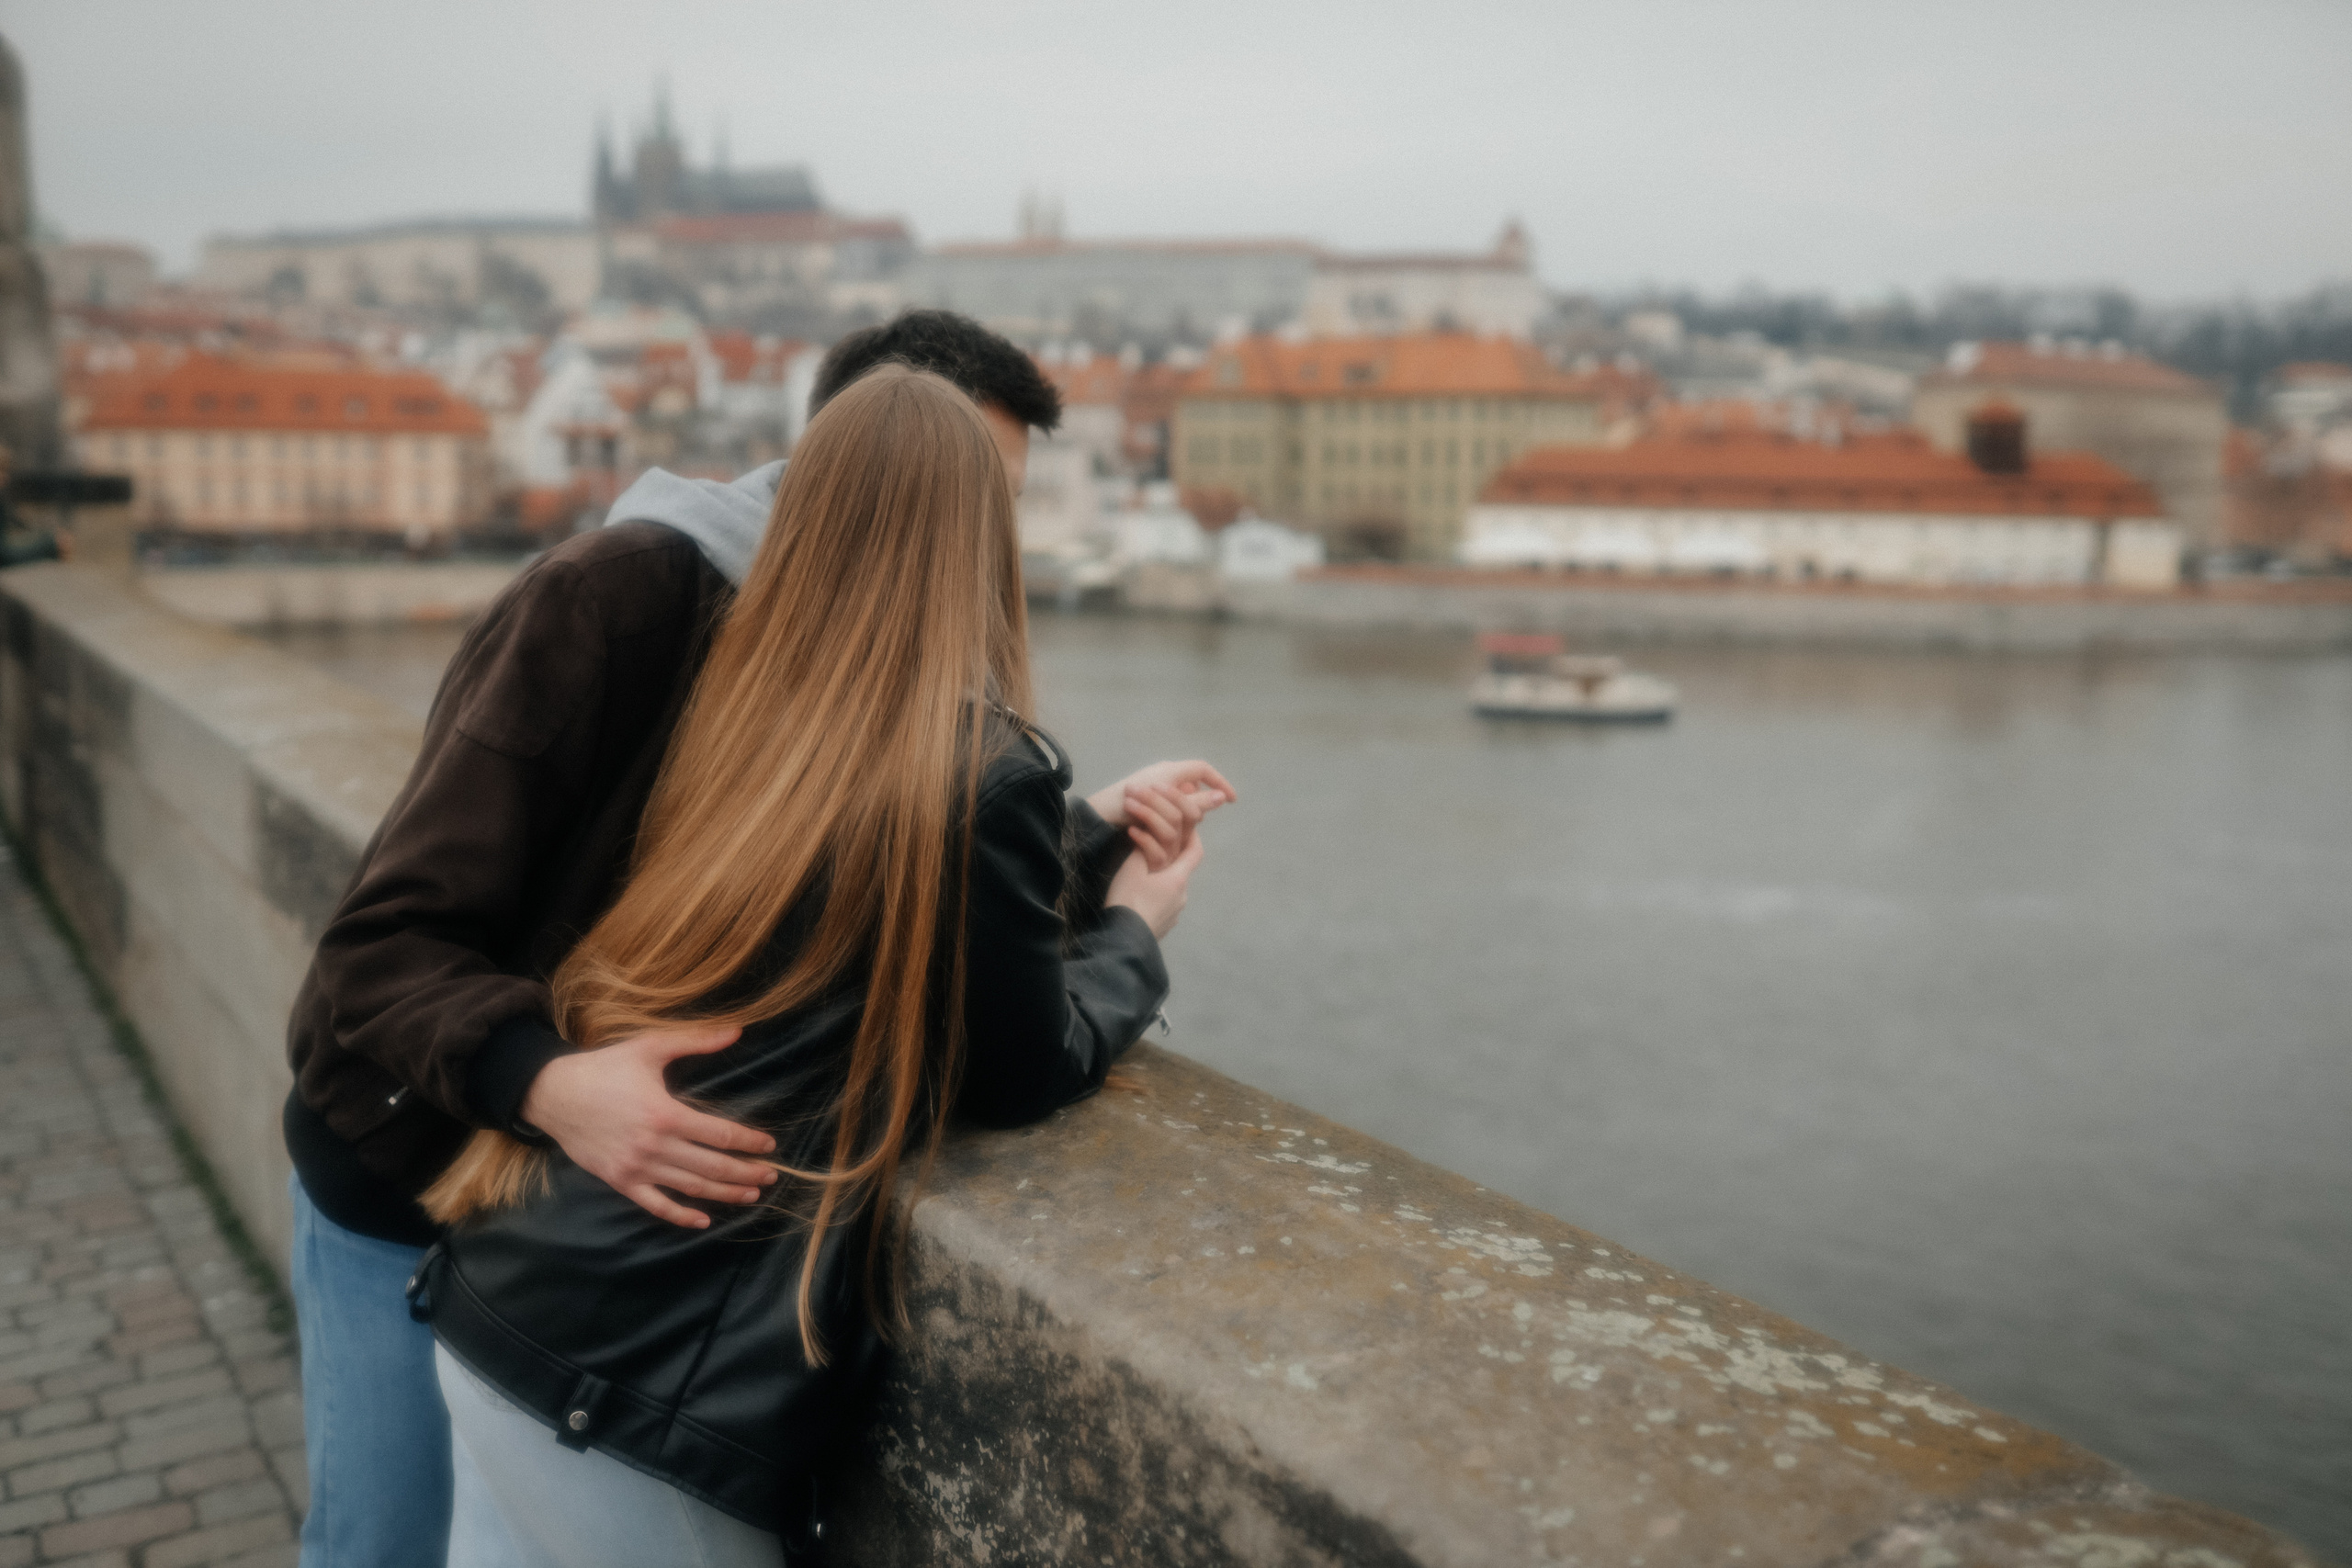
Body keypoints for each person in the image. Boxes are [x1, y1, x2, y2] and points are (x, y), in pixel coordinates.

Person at [282, 310, 1232, 1567]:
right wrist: (552, 1084)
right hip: (411, 1166)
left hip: (556, 1240)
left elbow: (850, 886)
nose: (982, 535)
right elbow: (377, 945)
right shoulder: (616, 595)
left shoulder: (818, 654)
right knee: (379, 1550)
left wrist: (1083, 832)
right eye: (975, 495)